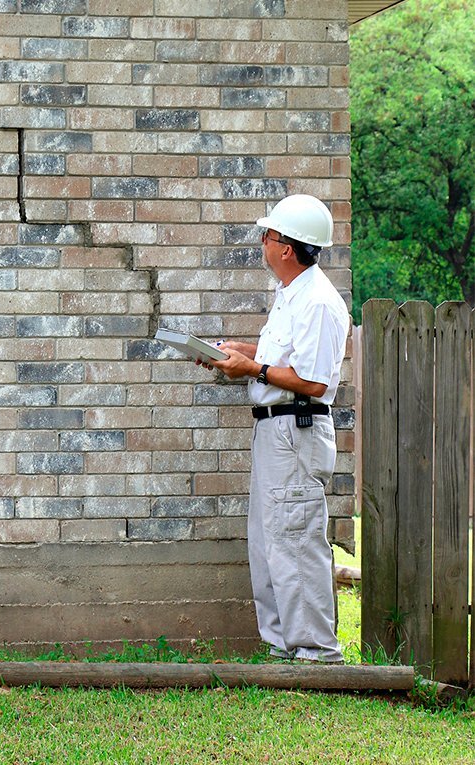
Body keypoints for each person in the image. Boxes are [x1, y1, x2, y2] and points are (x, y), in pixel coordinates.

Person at [208, 194, 351, 663]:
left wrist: (251, 369)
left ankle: (315, 655)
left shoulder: (318, 303)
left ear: (286, 247)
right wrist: (237, 351)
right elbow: (284, 357)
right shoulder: (292, 295)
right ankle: (282, 651)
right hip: (277, 432)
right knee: (270, 540)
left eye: (267, 235)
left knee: (295, 537)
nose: (263, 242)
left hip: (296, 429)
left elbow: (313, 381)